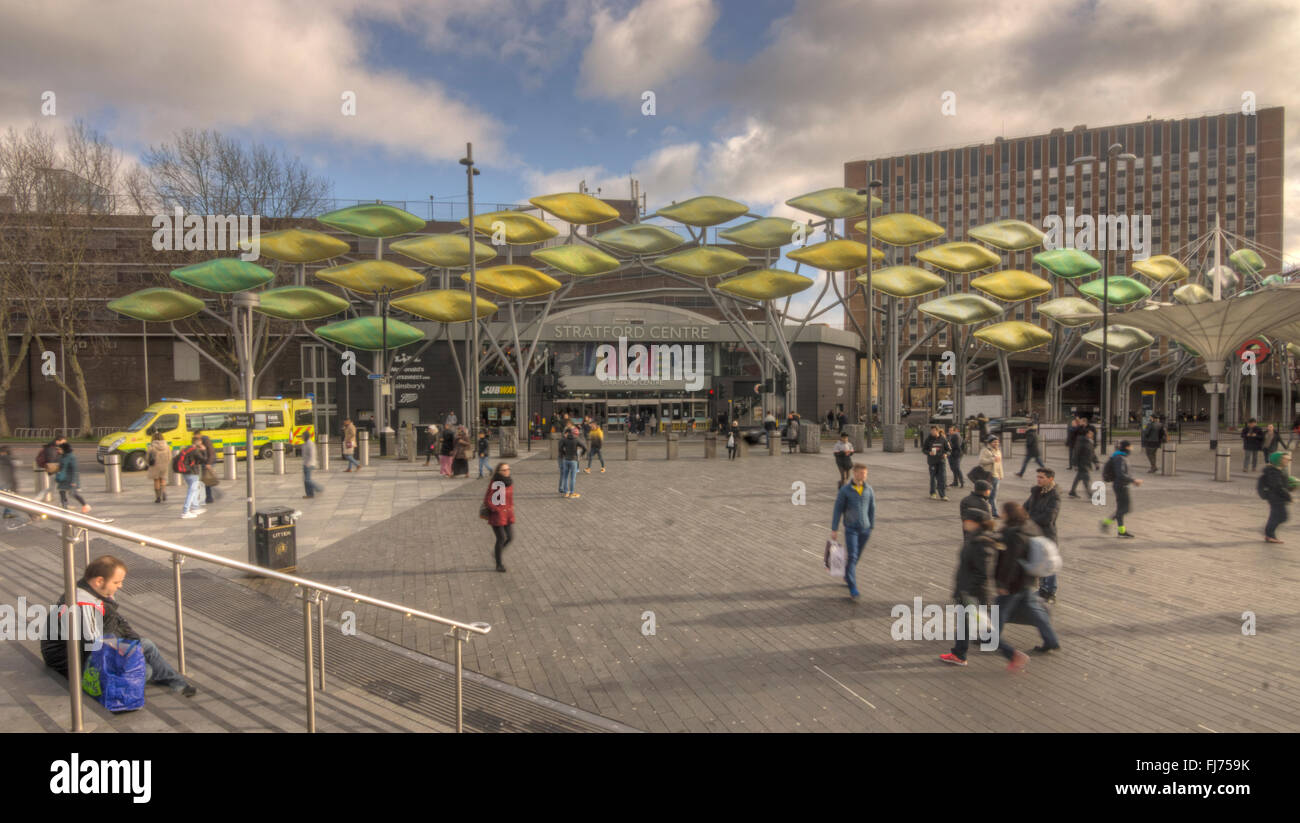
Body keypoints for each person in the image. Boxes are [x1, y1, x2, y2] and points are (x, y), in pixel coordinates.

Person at [41, 555, 197, 698]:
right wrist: (127, 650)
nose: (120, 586)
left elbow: (118, 623)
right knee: (146, 670)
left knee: (145, 646)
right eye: (116, 582)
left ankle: (178, 683)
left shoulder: (94, 593)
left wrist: (133, 642)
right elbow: (96, 646)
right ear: (99, 581)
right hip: (72, 662)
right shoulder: (83, 606)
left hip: (86, 650)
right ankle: (173, 681)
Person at [995, 502, 1060, 662]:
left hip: (1014, 582)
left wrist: (1003, 584)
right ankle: (1051, 640)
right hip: (1028, 578)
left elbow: (1010, 561)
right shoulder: (1030, 527)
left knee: (1000, 610)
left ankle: (990, 638)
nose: (1001, 514)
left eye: (1004, 512)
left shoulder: (1013, 534)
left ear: (1009, 514)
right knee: (1035, 611)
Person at [939, 515, 1001, 667]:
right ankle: (960, 653)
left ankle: (960, 654)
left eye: (967, 520)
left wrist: (968, 591)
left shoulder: (982, 542)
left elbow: (983, 572)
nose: (964, 522)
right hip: (970, 590)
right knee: (968, 623)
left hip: (972, 592)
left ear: (976, 522)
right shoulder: (976, 538)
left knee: (967, 623)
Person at [830, 463, 876, 599]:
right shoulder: (845, 491)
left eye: (865, 473)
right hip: (851, 529)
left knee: (857, 556)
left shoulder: (869, 490)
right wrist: (834, 528)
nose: (864, 476)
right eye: (861, 473)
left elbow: (872, 508)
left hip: (865, 529)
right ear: (855, 473)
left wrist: (871, 525)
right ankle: (852, 587)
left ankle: (847, 574)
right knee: (853, 555)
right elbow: (837, 510)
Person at [1025, 467, 1061, 603]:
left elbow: (1049, 517)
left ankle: (1050, 591)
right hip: (1035, 534)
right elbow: (1025, 507)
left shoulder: (1055, 495)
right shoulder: (1036, 492)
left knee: (1049, 563)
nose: (1038, 480)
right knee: (1040, 561)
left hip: (1047, 534)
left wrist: (1029, 519)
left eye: (1042, 477)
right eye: (1038, 477)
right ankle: (1043, 589)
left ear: (1050, 479)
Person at [1100, 440, 1142, 538]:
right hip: (1121, 486)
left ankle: (1121, 531)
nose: (1131, 449)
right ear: (1126, 447)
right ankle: (1106, 522)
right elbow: (1120, 474)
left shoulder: (1118, 456)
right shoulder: (1120, 458)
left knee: (1120, 509)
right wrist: (1134, 480)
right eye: (1130, 447)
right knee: (1125, 509)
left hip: (1119, 485)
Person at [484, 463, 515, 571]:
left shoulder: (509, 481)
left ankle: (497, 552)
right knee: (501, 538)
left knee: (510, 537)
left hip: (507, 514)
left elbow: (510, 498)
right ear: (499, 472)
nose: (507, 471)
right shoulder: (496, 483)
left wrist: (511, 508)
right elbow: (487, 500)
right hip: (497, 516)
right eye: (504, 470)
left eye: (508, 469)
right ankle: (499, 564)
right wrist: (496, 509)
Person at [1259, 451, 1294, 543]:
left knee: (1277, 516)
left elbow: (1283, 484)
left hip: (1277, 497)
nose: (1287, 461)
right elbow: (1278, 486)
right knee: (1281, 516)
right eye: (1285, 459)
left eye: (1288, 459)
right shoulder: (1273, 472)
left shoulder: (1279, 470)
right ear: (1278, 460)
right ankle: (1269, 533)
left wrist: (1291, 486)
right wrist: (1288, 496)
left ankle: (1269, 533)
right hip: (1275, 497)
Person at [55, 442, 91, 514]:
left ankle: (85, 505)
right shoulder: (61, 456)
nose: (58, 451)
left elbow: (75, 470)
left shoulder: (71, 457)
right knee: (61, 492)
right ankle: (64, 507)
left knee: (73, 493)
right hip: (63, 478)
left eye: (59, 449)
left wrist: (73, 481)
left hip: (70, 479)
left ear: (64, 449)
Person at [175, 434, 206, 518]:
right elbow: (203, 459)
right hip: (191, 472)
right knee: (191, 491)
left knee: (194, 490)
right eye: (200, 441)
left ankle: (195, 507)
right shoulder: (195, 450)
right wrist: (203, 450)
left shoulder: (188, 448)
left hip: (186, 472)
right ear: (198, 442)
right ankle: (185, 511)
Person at [922, 424, 951, 500]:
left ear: (937, 431)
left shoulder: (943, 439)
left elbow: (949, 450)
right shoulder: (928, 439)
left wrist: (946, 454)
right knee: (933, 478)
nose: (932, 432)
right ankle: (933, 493)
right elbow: (924, 450)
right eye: (931, 431)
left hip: (941, 461)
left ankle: (943, 495)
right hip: (932, 461)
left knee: (942, 478)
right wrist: (929, 453)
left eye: (934, 431)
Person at [1070, 428, 1099, 498]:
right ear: (1087, 434)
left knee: (1078, 478)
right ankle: (1091, 495)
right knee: (1086, 479)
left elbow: (1092, 453)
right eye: (1091, 433)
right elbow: (1076, 453)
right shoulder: (1081, 442)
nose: (1092, 435)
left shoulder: (1089, 442)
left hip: (1087, 463)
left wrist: (1096, 462)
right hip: (1082, 463)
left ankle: (1072, 491)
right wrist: (1075, 464)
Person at [978, 436, 1004, 513]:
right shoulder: (985, 450)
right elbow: (981, 461)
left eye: (997, 442)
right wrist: (992, 460)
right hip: (987, 475)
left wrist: (1001, 474)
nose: (996, 443)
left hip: (996, 476)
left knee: (993, 495)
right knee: (986, 495)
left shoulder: (998, 451)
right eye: (994, 442)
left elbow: (1000, 464)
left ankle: (993, 512)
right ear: (990, 443)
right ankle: (987, 510)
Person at [37, 436, 66, 503]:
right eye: (63, 442)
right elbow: (52, 460)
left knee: (52, 488)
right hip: (55, 470)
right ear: (57, 441)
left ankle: (38, 499)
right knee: (61, 487)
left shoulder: (54, 448)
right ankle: (64, 504)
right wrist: (60, 454)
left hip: (55, 470)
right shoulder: (52, 449)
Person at [0, 445, 23, 527]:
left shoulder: (4, 458)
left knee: (8, 498)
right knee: (9, 497)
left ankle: (7, 512)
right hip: (6, 481)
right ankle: (7, 513)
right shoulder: (7, 458)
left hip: (4, 481)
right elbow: (18, 463)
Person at [558, 427, 584, 498]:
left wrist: (565, 453)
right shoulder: (576, 440)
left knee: (565, 476)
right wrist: (581, 455)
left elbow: (560, 448)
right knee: (572, 478)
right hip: (573, 460)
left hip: (566, 460)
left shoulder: (565, 439)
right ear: (575, 434)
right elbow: (585, 447)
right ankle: (572, 493)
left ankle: (566, 492)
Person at [146, 431, 171, 503]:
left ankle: (158, 497)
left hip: (155, 466)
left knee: (156, 480)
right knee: (163, 479)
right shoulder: (167, 446)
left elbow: (148, 458)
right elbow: (170, 457)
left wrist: (148, 464)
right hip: (164, 465)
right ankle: (164, 492)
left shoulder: (151, 447)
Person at [302, 431, 325, 498]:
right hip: (305, 463)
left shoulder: (310, 444)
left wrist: (309, 464)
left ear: (306, 436)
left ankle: (319, 488)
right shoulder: (305, 443)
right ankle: (309, 494)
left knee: (307, 480)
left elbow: (312, 455)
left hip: (309, 464)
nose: (302, 437)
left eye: (303, 436)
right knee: (305, 481)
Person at [200, 433, 217, 505]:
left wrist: (208, 463)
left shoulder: (205, 441)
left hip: (207, 463)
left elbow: (211, 453)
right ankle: (208, 497)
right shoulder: (203, 442)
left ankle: (209, 497)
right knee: (206, 480)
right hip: (206, 463)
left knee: (207, 480)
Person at [946, 425, 964, 489]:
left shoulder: (956, 436)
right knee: (953, 468)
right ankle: (955, 482)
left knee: (956, 468)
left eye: (951, 430)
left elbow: (956, 445)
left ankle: (962, 481)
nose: (949, 431)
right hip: (951, 454)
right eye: (949, 430)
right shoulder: (950, 436)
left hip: (956, 454)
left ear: (955, 430)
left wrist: (949, 446)